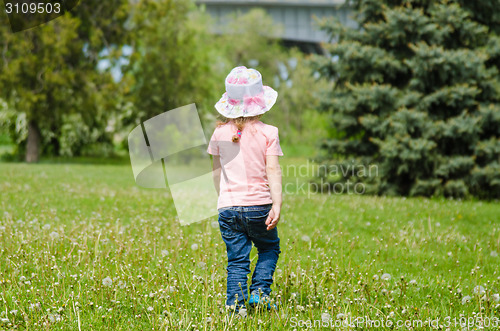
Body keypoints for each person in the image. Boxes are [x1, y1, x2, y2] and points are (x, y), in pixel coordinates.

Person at [207, 66, 283, 313]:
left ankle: (235, 307)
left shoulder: (218, 133)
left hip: (227, 208)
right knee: (269, 247)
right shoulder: (268, 132)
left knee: (237, 260)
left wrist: (224, 199)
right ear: (260, 102)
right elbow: (273, 170)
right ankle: (260, 293)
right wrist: (277, 204)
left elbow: (216, 173)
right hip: (258, 206)